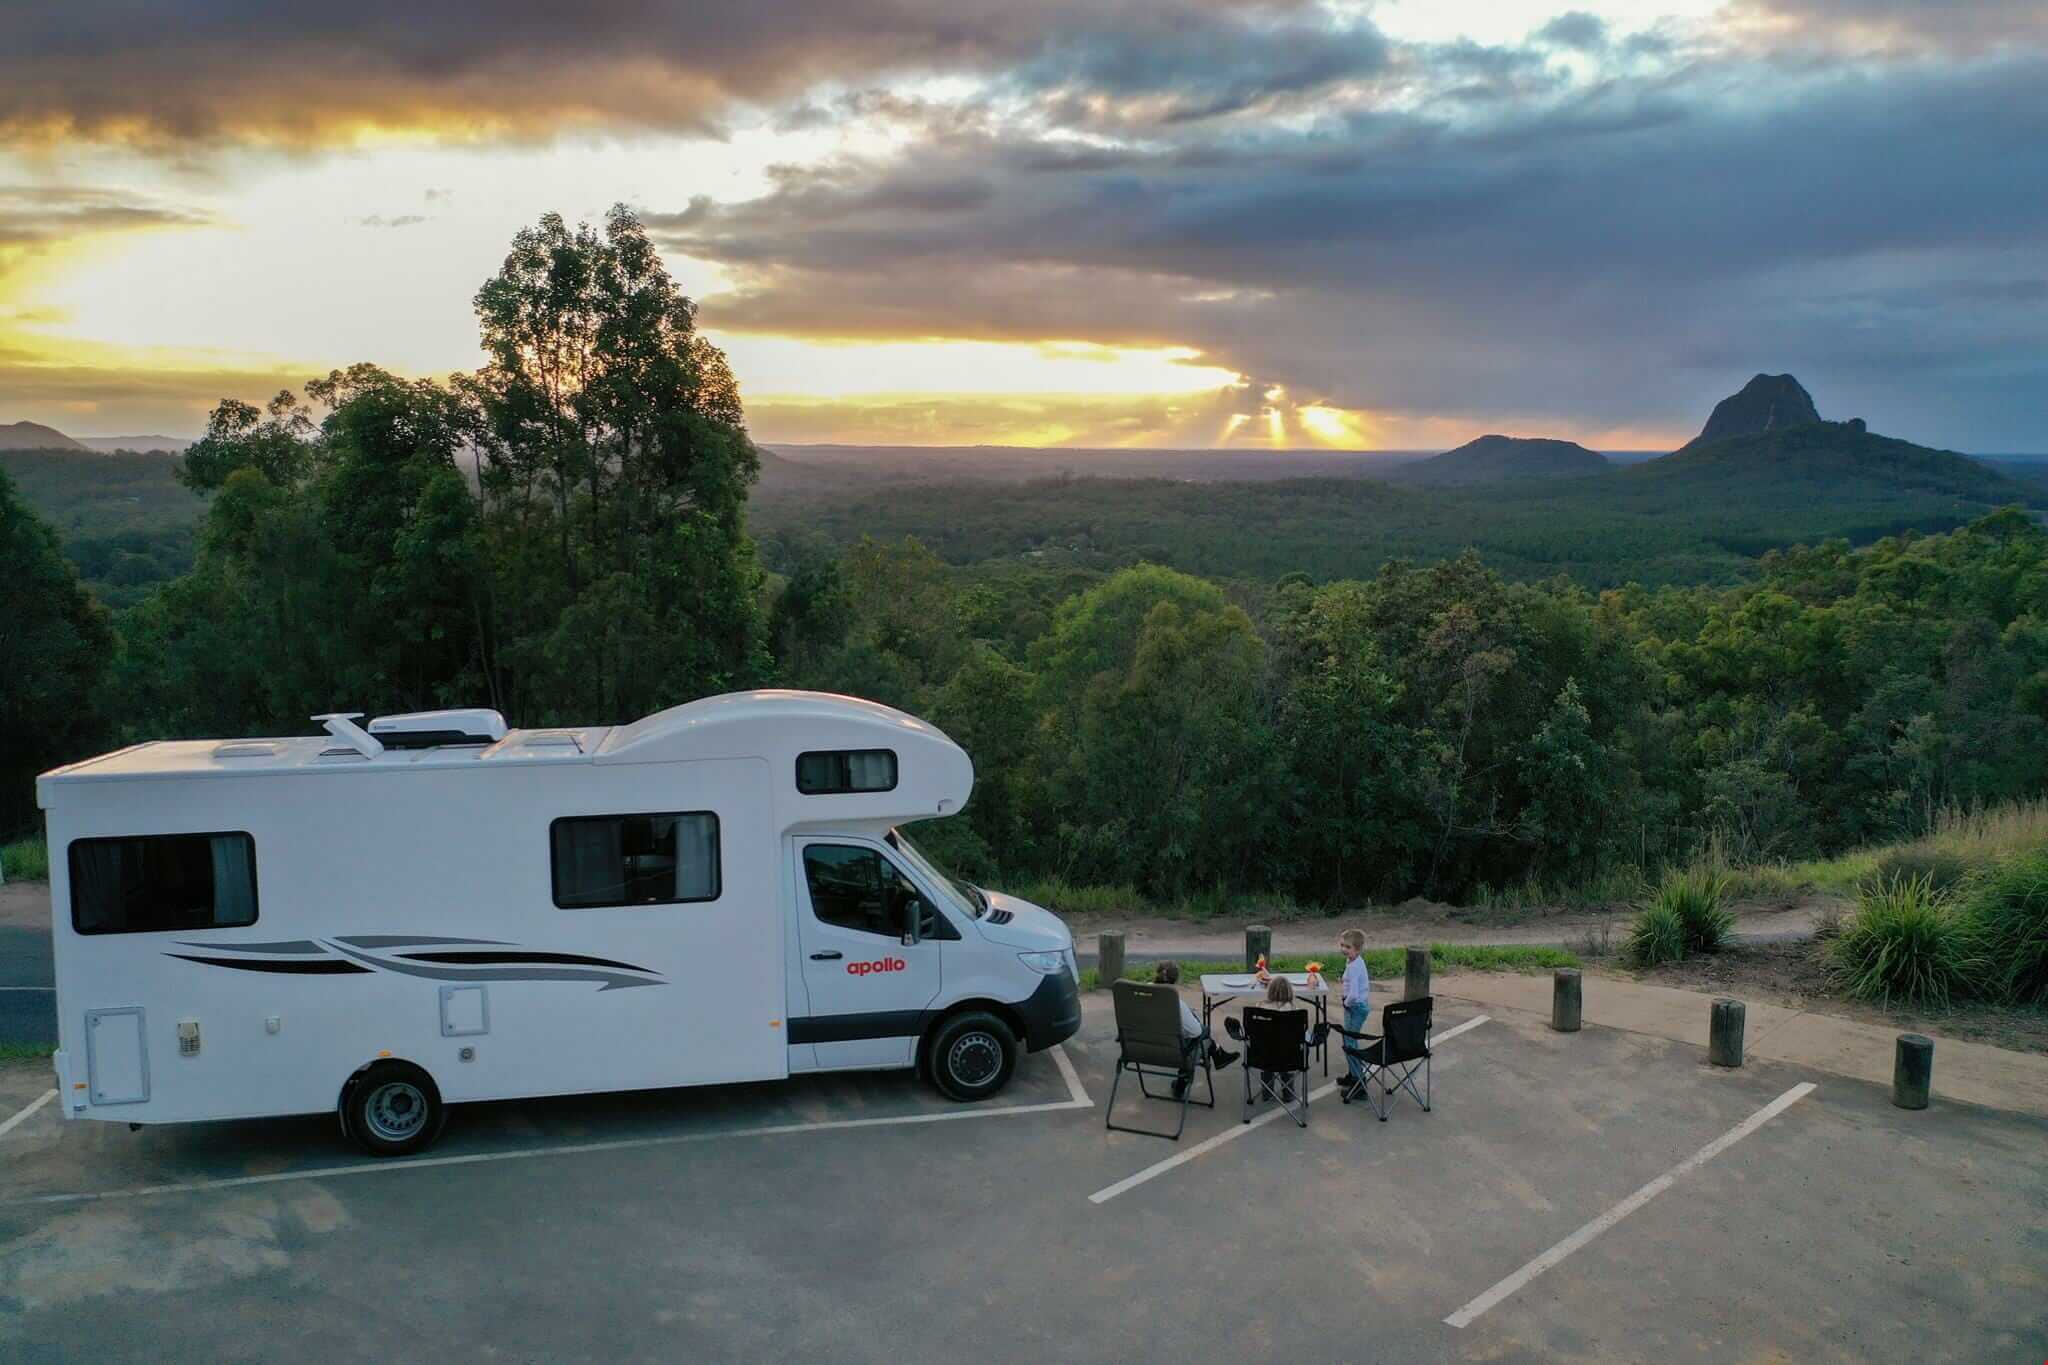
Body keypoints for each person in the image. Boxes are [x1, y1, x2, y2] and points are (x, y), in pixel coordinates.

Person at [1154, 960, 1237, 1098]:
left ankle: (1218, 1053)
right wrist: (1206, 1029)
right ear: (1177, 980)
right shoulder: (1175, 1004)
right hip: (1172, 1051)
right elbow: (1196, 1032)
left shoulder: (1141, 994)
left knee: (1193, 1031)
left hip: (1142, 1048)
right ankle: (1182, 1085)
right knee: (1201, 1037)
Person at [1338, 929, 1372, 1099]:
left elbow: (1354, 995)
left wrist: (1346, 1003)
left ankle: (1359, 1084)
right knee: (1348, 1040)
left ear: (1357, 949)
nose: (1344, 949)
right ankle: (1353, 1075)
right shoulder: (1353, 961)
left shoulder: (1354, 966)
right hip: (1354, 1006)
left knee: (1350, 1043)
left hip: (1355, 1007)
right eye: (1342, 945)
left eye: (1348, 947)